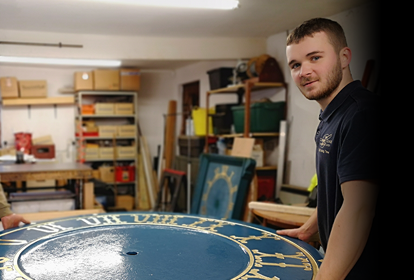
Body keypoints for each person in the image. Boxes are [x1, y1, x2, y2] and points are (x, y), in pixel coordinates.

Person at [277, 18, 379, 280]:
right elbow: (335, 189)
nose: (304, 71)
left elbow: (359, 207)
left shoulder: (361, 114)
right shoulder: (332, 116)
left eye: (315, 58)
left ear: (344, 57)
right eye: (296, 65)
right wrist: (309, 229)